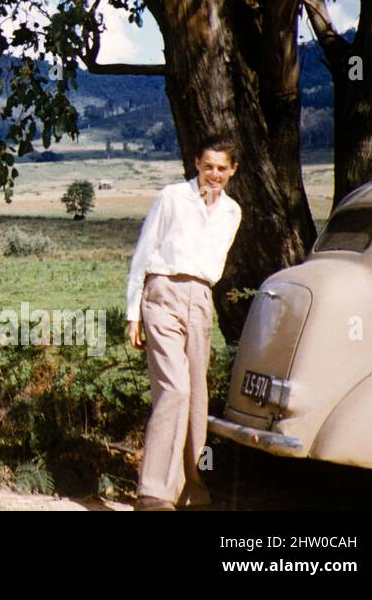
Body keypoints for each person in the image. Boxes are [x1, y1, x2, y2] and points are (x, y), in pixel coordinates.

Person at [125, 134, 242, 511]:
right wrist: (133, 314)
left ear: (232, 170)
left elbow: (210, 262)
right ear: (196, 164)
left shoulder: (232, 212)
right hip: (162, 293)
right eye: (208, 166)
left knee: (196, 395)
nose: (214, 174)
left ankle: (193, 488)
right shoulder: (172, 197)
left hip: (201, 299)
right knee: (173, 389)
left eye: (221, 168)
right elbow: (143, 253)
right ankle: (154, 491)